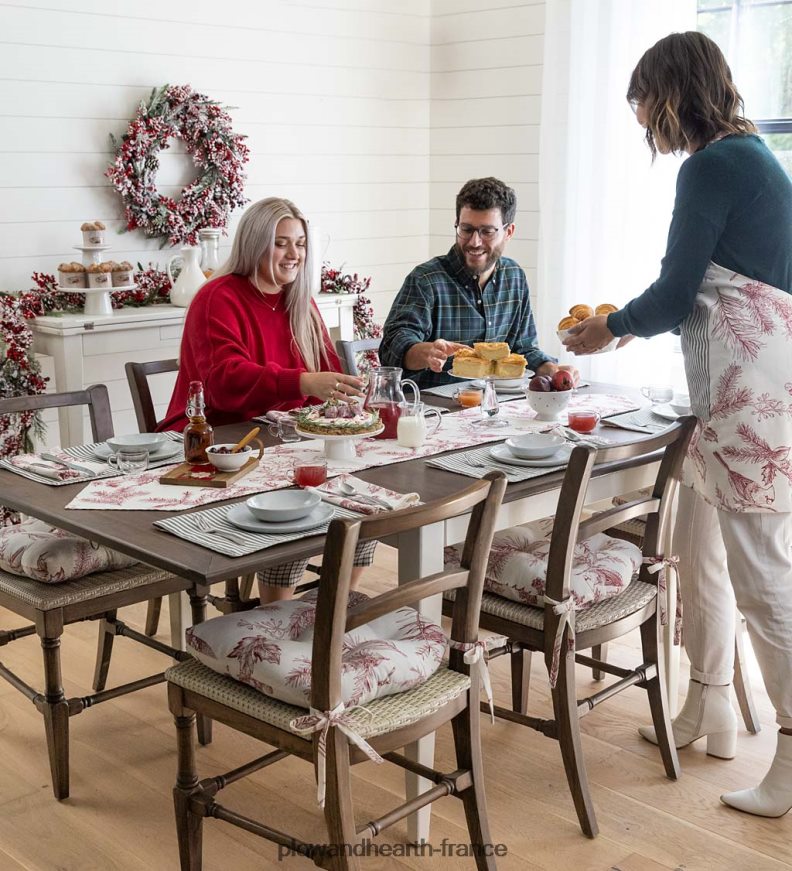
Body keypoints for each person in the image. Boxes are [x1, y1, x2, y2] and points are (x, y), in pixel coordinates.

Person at [564, 32, 792, 818]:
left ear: (671, 94)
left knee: (764, 579)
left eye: (644, 109)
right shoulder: (753, 157)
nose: (644, 129)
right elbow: (699, 289)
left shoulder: (712, 164)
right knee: (706, 556)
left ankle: (791, 758)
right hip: (744, 391)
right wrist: (629, 325)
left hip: (746, 400)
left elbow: (674, 291)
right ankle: (707, 699)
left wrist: (607, 329)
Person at [159, 197, 375, 603]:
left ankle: (332, 611)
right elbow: (222, 381)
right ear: (254, 244)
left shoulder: (299, 301)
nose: (294, 254)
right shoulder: (216, 297)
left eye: (301, 243)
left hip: (281, 441)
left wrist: (348, 394)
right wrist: (304, 382)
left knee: (361, 507)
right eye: (281, 243)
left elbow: (326, 372)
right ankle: (277, 618)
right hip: (218, 442)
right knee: (289, 510)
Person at [380, 177, 578, 388]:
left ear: (508, 232)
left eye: (487, 232)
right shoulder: (425, 280)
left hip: (496, 407)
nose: (475, 242)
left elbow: (523, 349)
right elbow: (392, 348)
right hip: (436, 410)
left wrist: (552, 370)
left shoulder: (514, 276)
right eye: (466, 229)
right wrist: (426, 353)